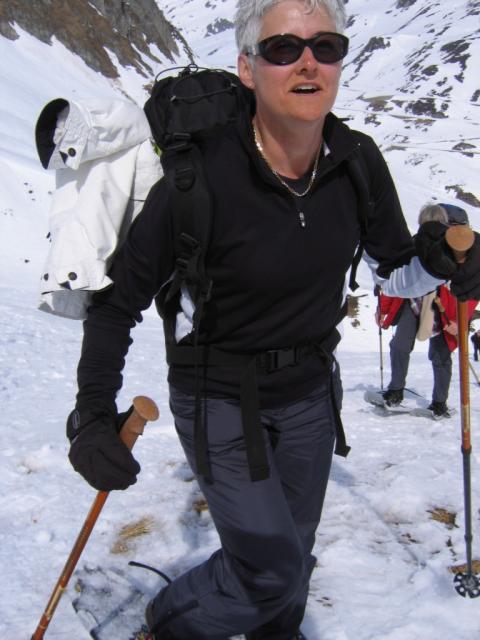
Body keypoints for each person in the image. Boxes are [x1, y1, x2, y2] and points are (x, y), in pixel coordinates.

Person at [65, 2, 480, 638]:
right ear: (248, 68)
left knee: (293, 556)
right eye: (284, 48)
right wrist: (93, 414)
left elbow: (394, 271)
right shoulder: (198, 178)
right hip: (218, 395)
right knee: (268, 571)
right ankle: (164, 625)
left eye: (326, 47)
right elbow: (117, 303)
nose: (308, 62)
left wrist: (441, 266)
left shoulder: (356, 160)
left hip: (310, 392)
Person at [378, 203, 478, 417]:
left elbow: (470, 292)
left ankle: (439, 403)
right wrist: (383, 307)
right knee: (400, 345)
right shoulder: (416, 244)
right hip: (412, 301)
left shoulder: (463, 253)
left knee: (440, 354)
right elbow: (397, 274)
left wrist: (460, 322)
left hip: (443, 308)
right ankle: (395, 391)